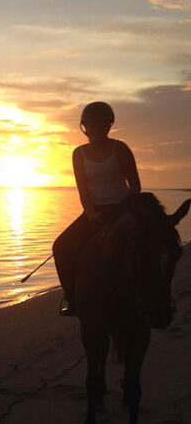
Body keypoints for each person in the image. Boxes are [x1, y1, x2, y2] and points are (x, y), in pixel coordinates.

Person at [53, 101, 141, 316]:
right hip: (94, 213)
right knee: (60, 247)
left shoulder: (119, 148)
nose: (97, 129)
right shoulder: (78, 154)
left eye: (101, 124)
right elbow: (83, 190)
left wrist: (121, 211)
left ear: (108, 126)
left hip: (122, 210)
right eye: (92, 125)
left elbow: (135, 186)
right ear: (85, 127)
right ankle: (72, 297)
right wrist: (91, 212)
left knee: (151, 246)